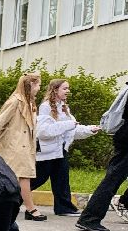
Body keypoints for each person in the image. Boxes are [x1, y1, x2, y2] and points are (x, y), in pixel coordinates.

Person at [32, 79, 99, 215]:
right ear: (55, 90)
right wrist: (69, 125)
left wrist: (89, 130)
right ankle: (9, 198)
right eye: (65, 88)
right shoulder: (45, 107)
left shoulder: (64, 107)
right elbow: (43, 131)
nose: (68, 91)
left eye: (68, 88)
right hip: (47, 151)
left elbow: (71, 130)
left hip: (60, 150)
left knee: (61, 179)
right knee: (38, 178)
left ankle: (64, 208)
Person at [0, 72, 45, 221]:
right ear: (31, 84)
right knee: (23, 177)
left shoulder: (30, 102)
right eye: (38, 85)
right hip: (13, 146)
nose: (39, 89)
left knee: (15, 178)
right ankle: (30, 209)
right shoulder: (16, 102)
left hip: (23, 146)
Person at [77, 78, 128, 231]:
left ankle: (126, 202)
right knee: (113, 179)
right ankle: (89, 218)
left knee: (113, 177)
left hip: (124, 136)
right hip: (127, 139)